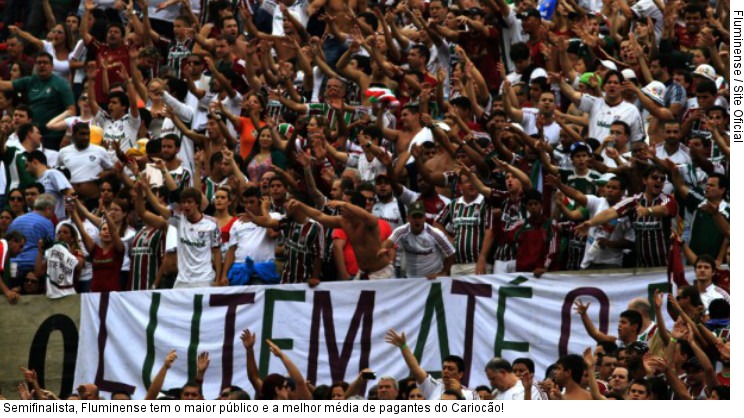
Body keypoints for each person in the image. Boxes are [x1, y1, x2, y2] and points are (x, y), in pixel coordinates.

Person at [0, 52, 76, 150]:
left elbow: (71, 111)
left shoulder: (61, 84)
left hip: (54, 136)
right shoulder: (30, 81)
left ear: (52, 66)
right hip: (32, 135)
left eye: (45, 62)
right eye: (39, 63)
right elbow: (6, 85)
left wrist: (68, 134)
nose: (41, 65)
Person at [385, 329, 479, 400]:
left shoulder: (471, 394)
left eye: (450, 369)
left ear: (460, 374)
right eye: (444, 368)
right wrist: (403, 346)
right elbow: (416, 369)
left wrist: (460, 395)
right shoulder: (434, 387)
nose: (446, 371)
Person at [381, 201, 455, 279]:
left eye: (420, 217)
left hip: (432, 278)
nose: (417, 220)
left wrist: (442, 273)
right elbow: (388, 243)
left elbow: (451, 253)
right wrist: (383, 251)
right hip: (411, 278)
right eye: (414, 217)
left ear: (425, 218)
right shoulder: (401, 231)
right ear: (408, 218)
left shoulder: (435, 233)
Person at [6, 193, 56, 286]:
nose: (54, 214)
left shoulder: (16, 220)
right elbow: (50, 249)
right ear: (48, 209)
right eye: (53, 210)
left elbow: (7, 243)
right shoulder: (47, 223)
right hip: (34, 269)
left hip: (13, 267)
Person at [56, 123, 114, 201]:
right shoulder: (63, 152)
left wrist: (105, 174)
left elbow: (113, 170)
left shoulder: (100, 150)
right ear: (74, 135)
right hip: (71, 197)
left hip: (93, 197)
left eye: (88, 134)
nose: (86, 137)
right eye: (82, 134)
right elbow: (57, 172)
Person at [24, 150, 73, 220]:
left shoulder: (52, 173)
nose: (26, 170)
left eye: (27, 166)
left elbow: (70, 193)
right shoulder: (36, 182)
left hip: (57, 221)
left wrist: (70, 215)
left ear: (34, 162)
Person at [0, 230, 26, 304]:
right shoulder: (2, 246)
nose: (21, 251)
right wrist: (7, 292)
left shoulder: (7, 259)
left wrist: (9, 290)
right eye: (20, 246)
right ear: (12, 242)